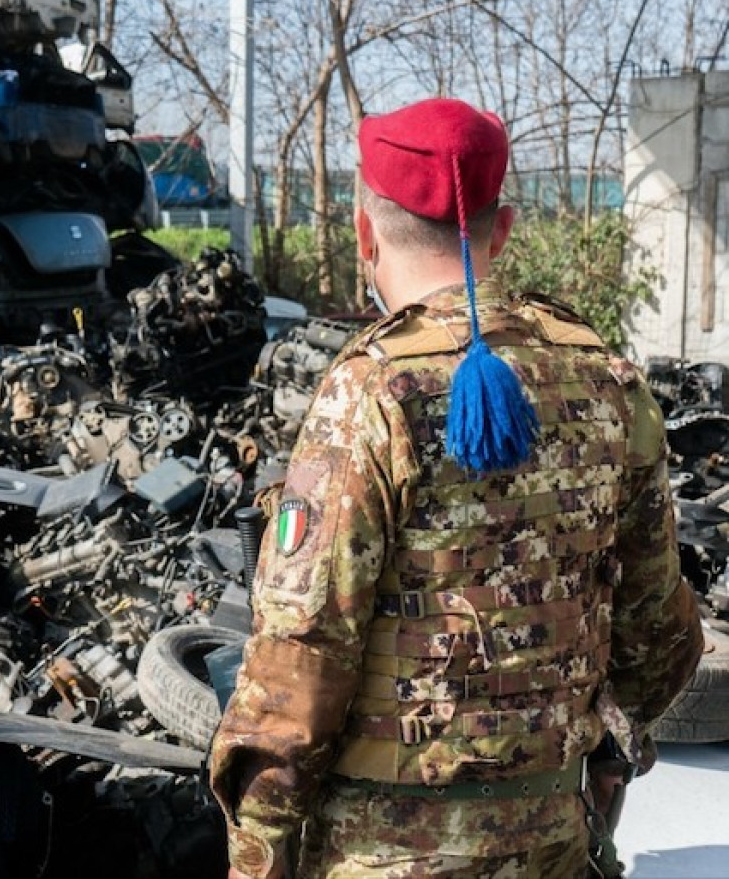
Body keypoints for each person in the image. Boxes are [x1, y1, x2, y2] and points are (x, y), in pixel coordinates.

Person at [208, 98, 705, 879]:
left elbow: (294, 680)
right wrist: (606, 753)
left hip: (388, 856)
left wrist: (256, 860)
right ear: (502, 230)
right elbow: (662, 634)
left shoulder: (369, 395)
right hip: (554, 845)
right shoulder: (610, 379)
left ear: (363, 233)